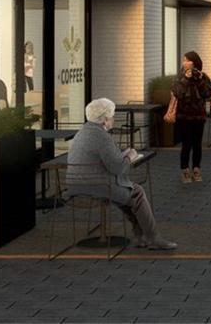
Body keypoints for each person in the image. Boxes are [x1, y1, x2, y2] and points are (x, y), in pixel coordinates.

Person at [68, 98, 177, 250]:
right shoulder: (102, 137)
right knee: (136, 192)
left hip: (75, 186)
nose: (113, 120)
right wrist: (129, 156)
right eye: (112, 116)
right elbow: (118, 168)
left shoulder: (81, 133)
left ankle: (140, 236)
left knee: (127, 193)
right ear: (105, 120)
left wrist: (122, 154)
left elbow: (105, 159)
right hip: (96, 186)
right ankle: (153, 238)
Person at [165, 51, 211, 184]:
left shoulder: (203, 77)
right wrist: (186, 79)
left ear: (194, 62)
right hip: (183, 116)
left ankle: (196, 169)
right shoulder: (179, 77)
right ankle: (185, 170)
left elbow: (208, 94)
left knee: (197, 144)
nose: (184, 62)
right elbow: (177, 93)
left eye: (187, 60)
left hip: (199, 116)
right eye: (184, 60)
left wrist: (199, 81)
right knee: (186, 144)